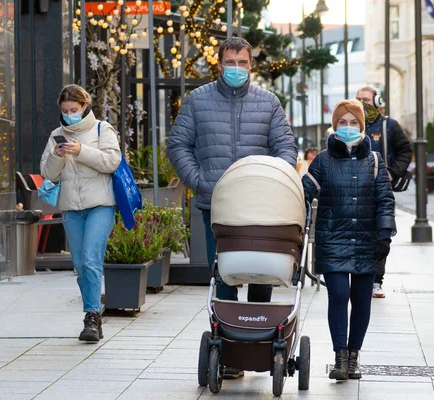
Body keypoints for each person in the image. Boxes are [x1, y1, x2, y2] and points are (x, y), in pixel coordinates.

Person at [167, 37, 297, 378]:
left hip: (261, 205)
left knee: (261, 272)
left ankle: (256, 344)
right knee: (224, 275)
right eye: (230, 62)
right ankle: (227, 351)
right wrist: (200, 181)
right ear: (219, 64)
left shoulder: (268, 103)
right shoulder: (197, 100)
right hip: (218, 205)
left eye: (242, 62)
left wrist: (273, 180)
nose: (236, 68)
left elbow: (285, 148)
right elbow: (178, 143)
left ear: (251, 65)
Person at [302, 100, 396, 381]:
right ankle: (340, 357)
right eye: (342, 122)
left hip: (367, 240)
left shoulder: (375, 161)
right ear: (334, 126)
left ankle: (354, 356)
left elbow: (385, 201)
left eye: (353, 122)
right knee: (340, 295)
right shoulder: (322, 160)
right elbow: (304, 193)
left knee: (361, 301)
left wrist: (385, 233)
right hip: (333, 239)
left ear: (362, 126)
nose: (347, 127)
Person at [40, 84, 121, 342]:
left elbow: (112, 161)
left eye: (74, 109)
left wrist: (81, 151)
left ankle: (91, 317)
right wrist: (57, 155)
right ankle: (94, 310)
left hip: (100, 205)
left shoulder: (101, 129)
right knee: (80, 265)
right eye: (65, 111)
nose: (69, 114)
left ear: (84, 106)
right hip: (72, 209)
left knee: (90, 260)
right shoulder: (57, 134)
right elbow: (47, 173)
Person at [357, 87, 412, 298]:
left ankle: (376, 281)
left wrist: (392, 173)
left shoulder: (389, 126)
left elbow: (405, 150)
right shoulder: (352, 124)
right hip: (355, 187)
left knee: (381, 232)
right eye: (359, 99)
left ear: (377, 101)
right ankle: (359, 274)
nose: (362, 103)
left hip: (380, 189)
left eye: (366, 99)